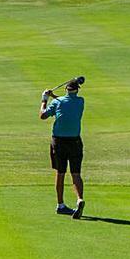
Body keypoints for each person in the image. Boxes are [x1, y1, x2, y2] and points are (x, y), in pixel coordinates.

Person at [40, 80, 85, 218]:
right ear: (77, 90)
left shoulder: (57, 102)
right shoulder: (80, 102)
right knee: (76, 173)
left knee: (60, 173)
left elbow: (43, 115)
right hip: (75, 141)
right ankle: (79, 199)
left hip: (59, 142)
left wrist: (44, 99)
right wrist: (54, 96)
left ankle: (60, 205)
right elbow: (65, 102)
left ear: (66, 89)